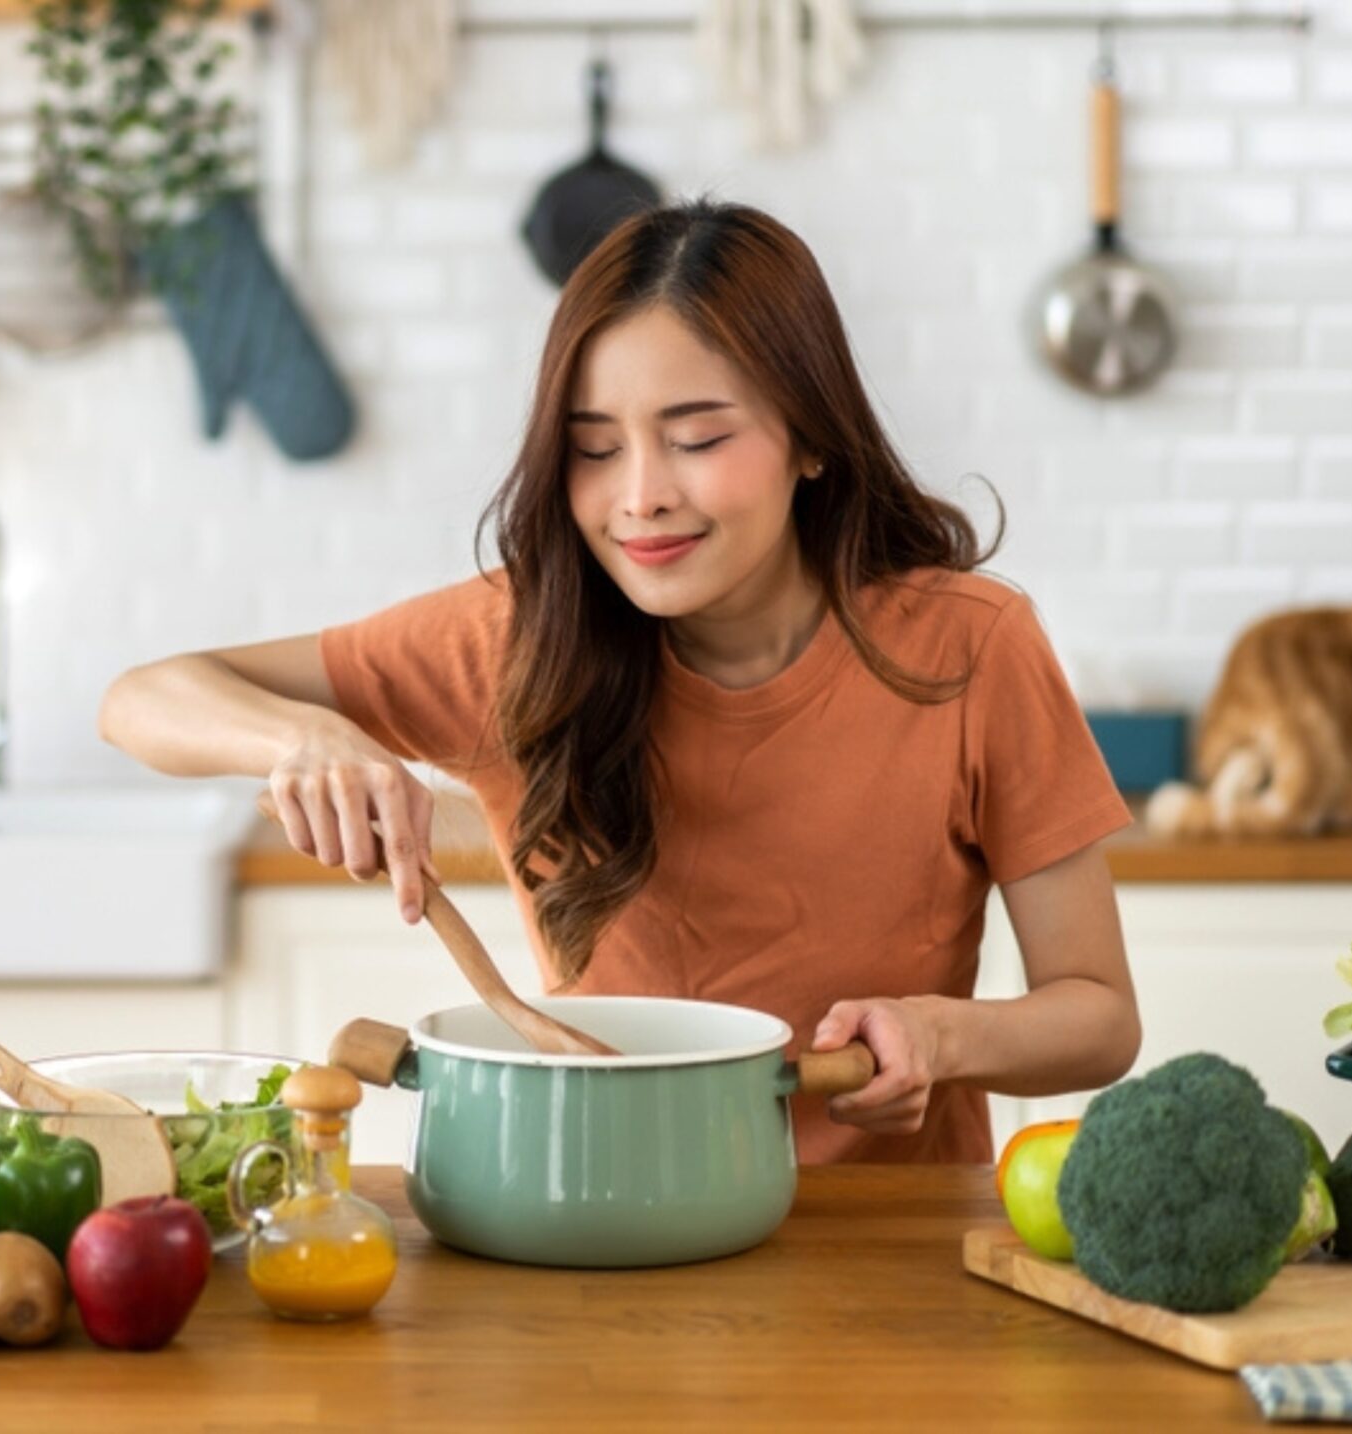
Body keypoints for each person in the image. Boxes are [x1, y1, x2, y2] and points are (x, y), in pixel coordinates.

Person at [99, 198, 1141, 1163]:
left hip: (887, 1246)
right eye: (594, 449)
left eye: (697, 439)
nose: (639, 498)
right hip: (593, 1217)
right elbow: (141, 699)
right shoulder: (517, 638)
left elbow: (1098, 1018)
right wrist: (303, 739)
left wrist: (940, 1036)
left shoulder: (969, 648)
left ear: (811, 436)